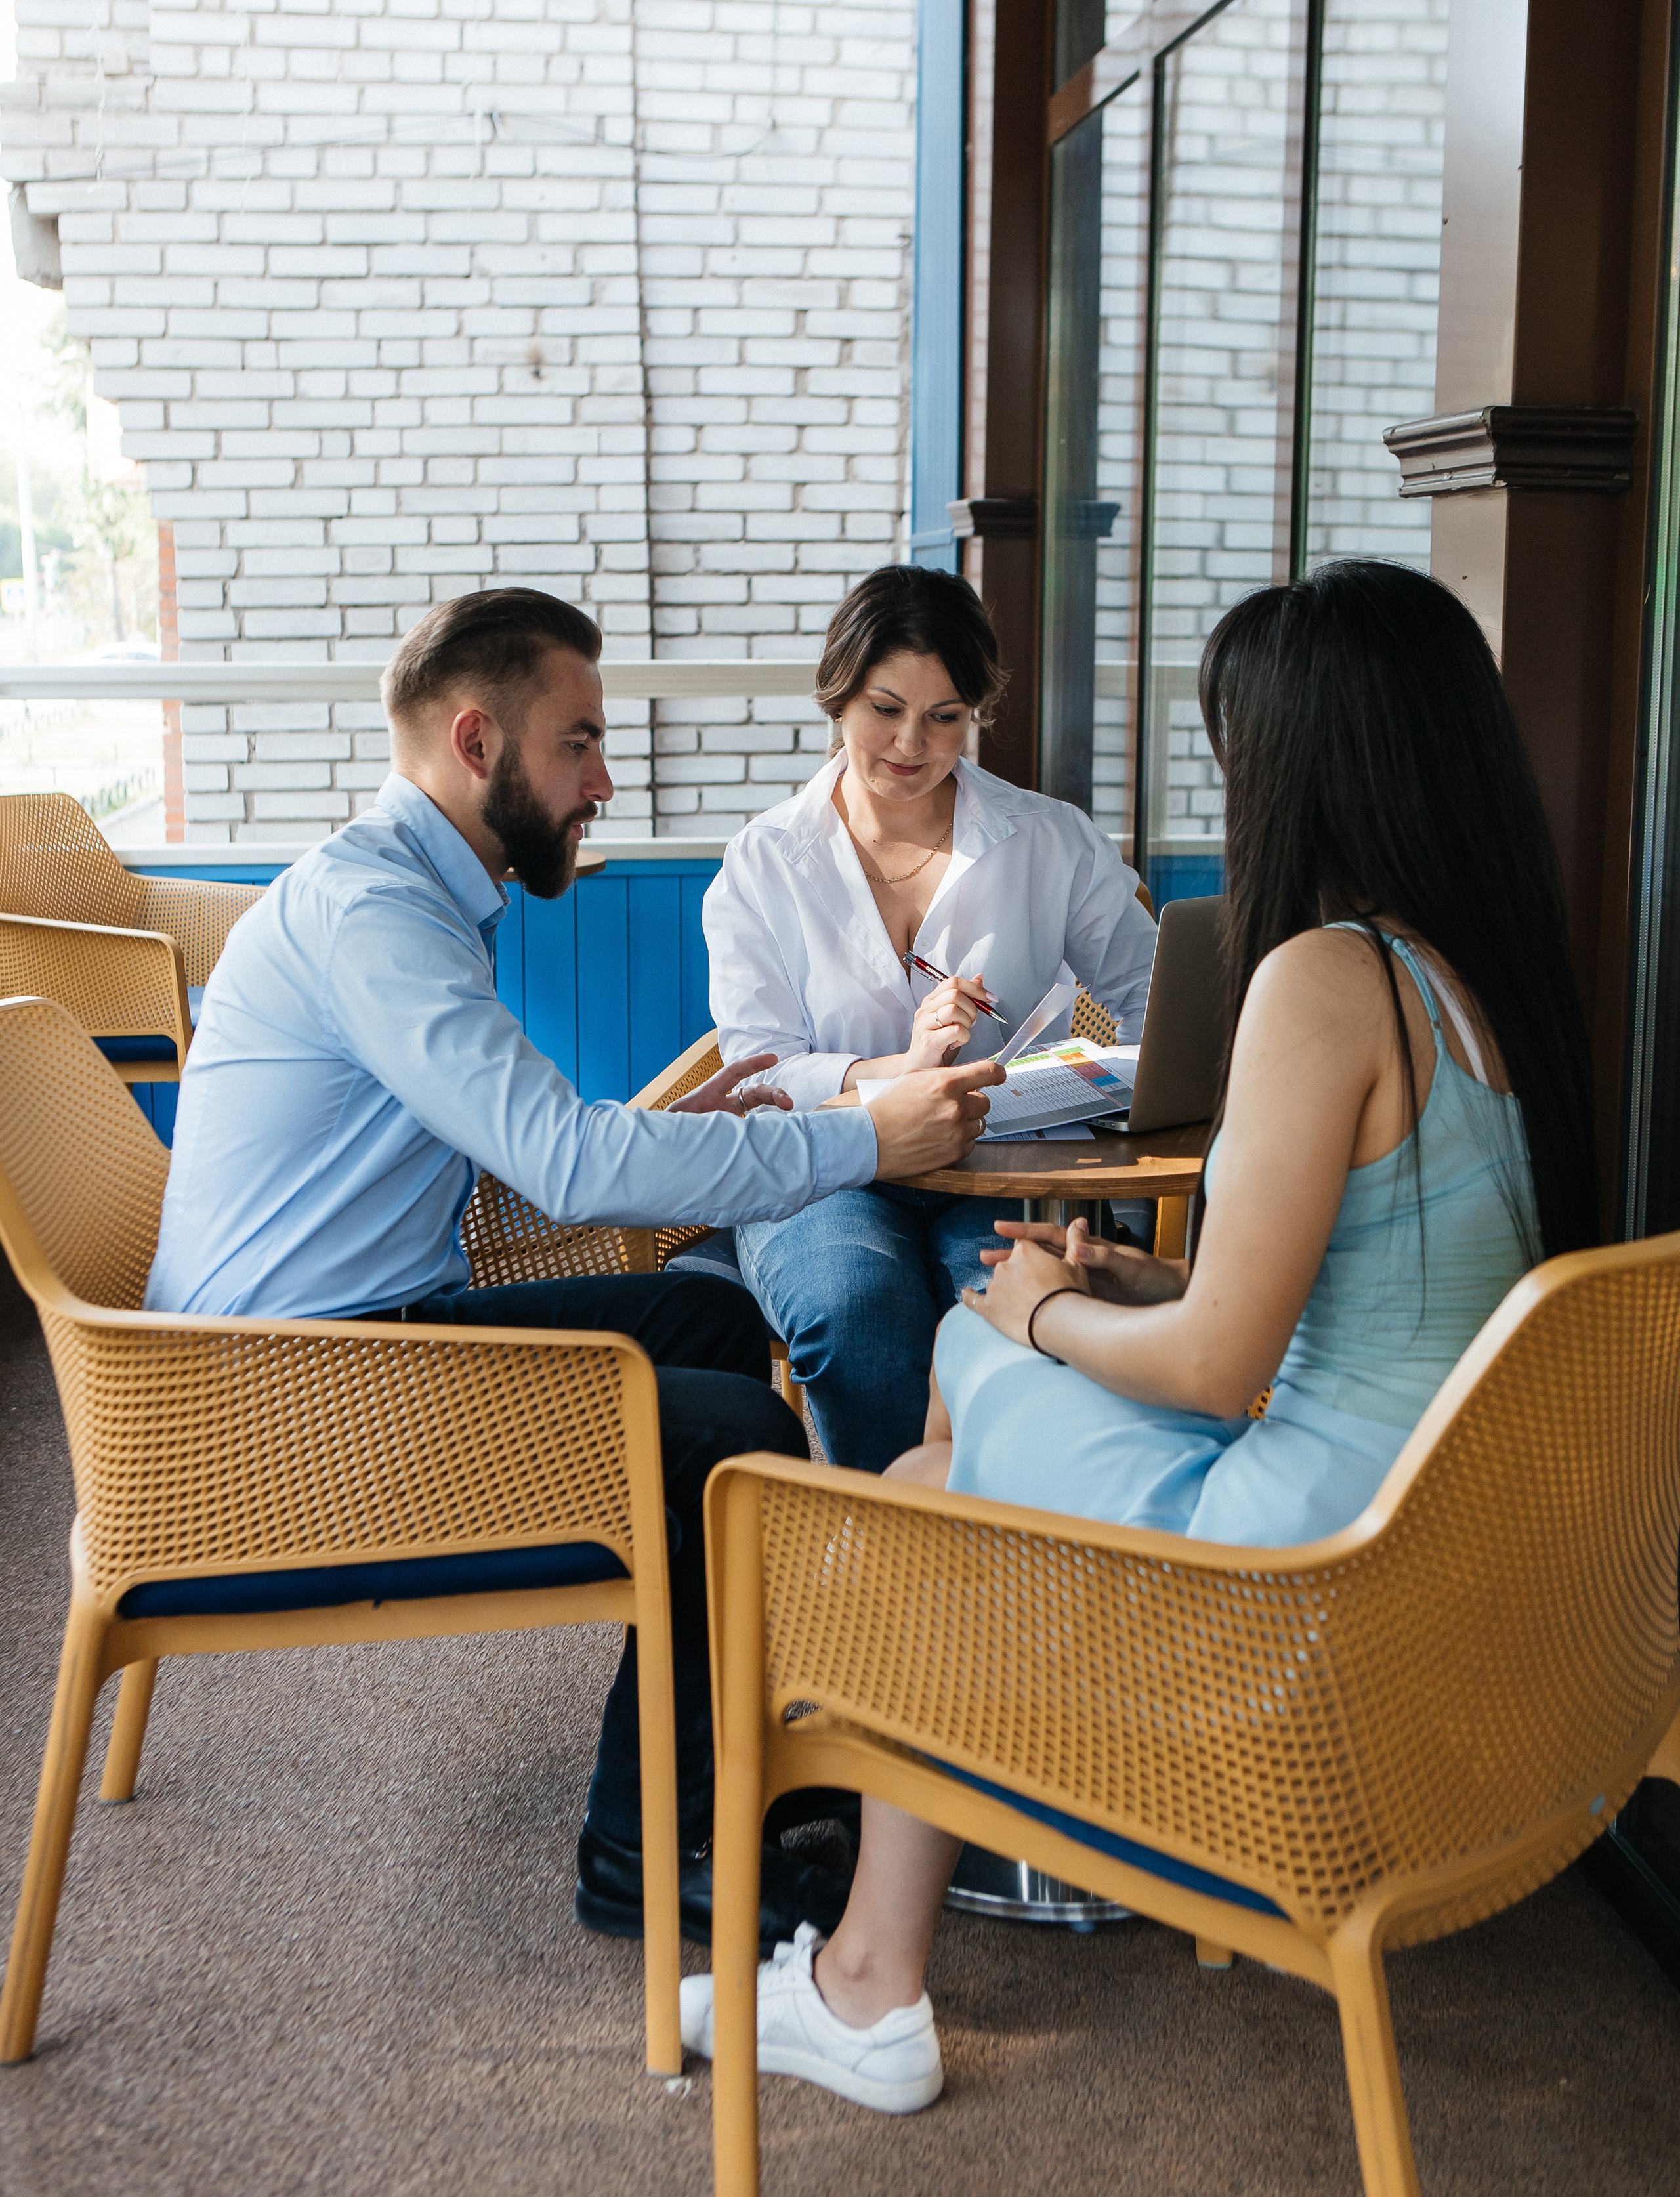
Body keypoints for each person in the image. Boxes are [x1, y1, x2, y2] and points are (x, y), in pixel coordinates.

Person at [678, 557, 1601, 2108]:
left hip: (1311, 1560)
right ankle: (905, 1921)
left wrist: (1042, 1309)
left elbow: (1217, 1373)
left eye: (1236, 745)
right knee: (940, 1392)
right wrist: (1137, 1286)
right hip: (1433, 1536)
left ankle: (894, 1941)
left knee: (960, 1387)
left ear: (1314, 759)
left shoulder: (1323, 980)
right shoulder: (1483, 983)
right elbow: (1376, 1295)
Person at [145, 587, 999, 1955]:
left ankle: (722, 1755)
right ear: (477, 741)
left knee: (703, 1318)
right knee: (730, 1440)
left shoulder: (408, 891)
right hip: (285, 1403)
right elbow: (562, 1161)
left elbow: (521, 1146)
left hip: (353, 1336)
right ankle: (650, 1857)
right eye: (580, 745)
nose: (604, 781)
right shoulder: (376, 913)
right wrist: (858, 1139)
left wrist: (690, 1138)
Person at [703, 565, 1157, 1471]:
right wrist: (898, 1071)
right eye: (885, 709)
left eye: (945, 716)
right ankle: (890, 1573)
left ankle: (1002, 1564)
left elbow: (1154, 1000)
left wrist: (1105, 1079)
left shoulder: (1050, 839)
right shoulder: (765, 861)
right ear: (838, 696)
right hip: (825, 1169)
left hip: (994, 1161)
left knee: (1001, 1307)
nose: (913, 743)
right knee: (857, 1307)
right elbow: (759, 1069)